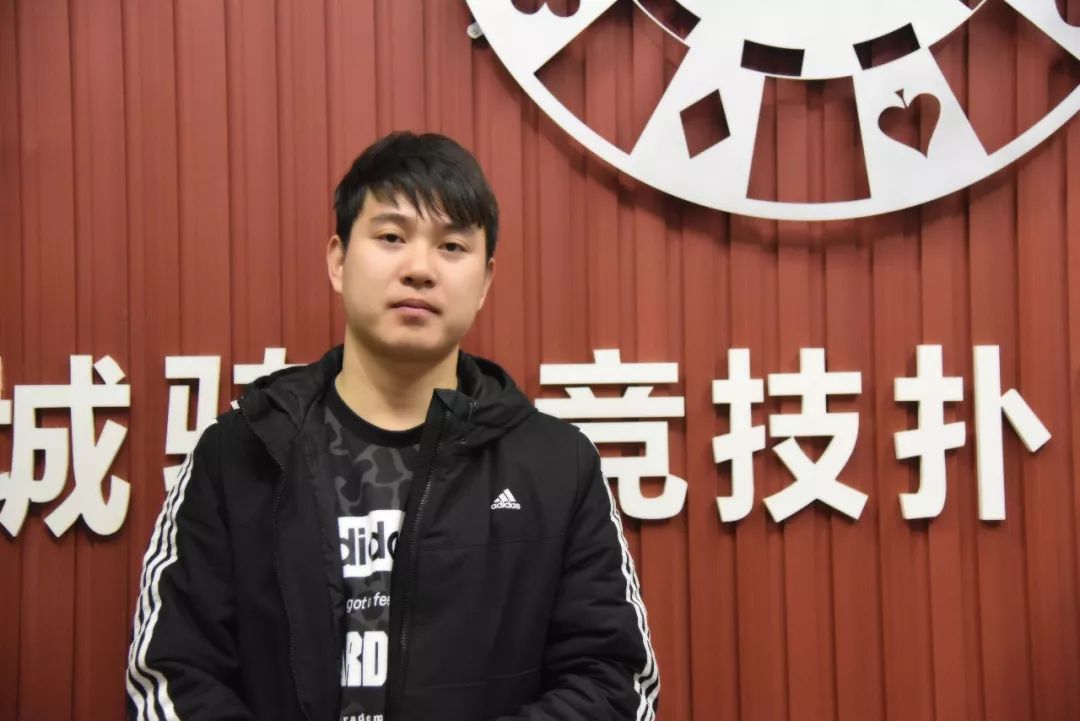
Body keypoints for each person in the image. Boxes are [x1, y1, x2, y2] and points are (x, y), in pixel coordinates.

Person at [125, 131, 658, 721]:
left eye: (452, 246)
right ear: (338, 260)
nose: (419, 269)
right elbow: (170, 676)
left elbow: (615, 683)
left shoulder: (557, 466)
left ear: (485, 281)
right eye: (391, 237)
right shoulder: (240, 452)